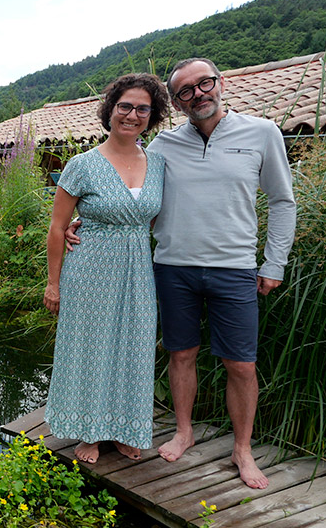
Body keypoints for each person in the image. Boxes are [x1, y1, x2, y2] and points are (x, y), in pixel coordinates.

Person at [67, 58, 297, 489]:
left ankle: (242, 450)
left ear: (219, 83)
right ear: (175, 102)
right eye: (185, 91)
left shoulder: (262, 133)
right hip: (173, 267)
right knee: (181, 355)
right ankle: (184, 432)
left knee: (242, 365)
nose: (198, 94)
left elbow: (283, 202)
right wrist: (86, 222)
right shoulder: (163, 147)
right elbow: (129, 189)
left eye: (204, 83)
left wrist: (274, 263)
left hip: (235, 268)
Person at [43, 73, 170, 464]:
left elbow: (147, 219)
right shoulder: (83, 165)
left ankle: (124, 429)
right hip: (90, 270)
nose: (132, 115)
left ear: (152, 115)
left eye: (142, 109)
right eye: (125, 106)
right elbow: (57, 227)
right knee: (89, 348)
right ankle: (89, 433)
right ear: (111, 110)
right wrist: (53, 284)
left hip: (137, 272)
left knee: (134, 346)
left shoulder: (160, 163)